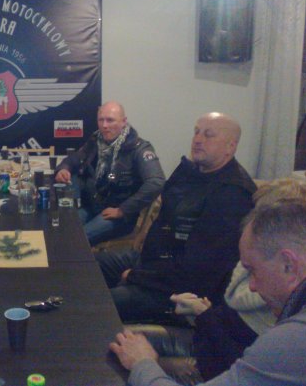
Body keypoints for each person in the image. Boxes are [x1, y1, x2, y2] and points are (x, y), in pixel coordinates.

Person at [110, 200, 306, 386]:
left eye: (252, 271)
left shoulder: (300, 339)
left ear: (288, 265)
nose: (252, 286)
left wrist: (142, 363)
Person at [96, 112, 256, 322]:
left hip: (180, 291)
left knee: (99, 304)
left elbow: (197, 270)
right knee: (88, 265)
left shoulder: (232, 194)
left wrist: (136, 276)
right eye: (196, 132)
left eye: (208, 135)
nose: (198, 140)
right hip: (152, 263)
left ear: (230, 147)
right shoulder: (191, 172)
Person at [54, 101, 165, 245]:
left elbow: (156, 182)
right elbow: (74, 158)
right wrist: (64, 168)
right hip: (92, 206)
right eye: (101, 120)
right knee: (60, 227)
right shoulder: (96, 141)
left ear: (124, 122)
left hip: (118, 215)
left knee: (77, 240)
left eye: (110, 120)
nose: (104, 125)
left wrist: (123, 210)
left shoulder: (138, 148)